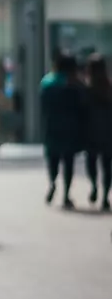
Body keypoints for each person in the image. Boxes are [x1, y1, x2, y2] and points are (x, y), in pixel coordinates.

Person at [40, 53, 87, 209]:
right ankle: (66, 193)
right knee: (68, 162)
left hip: (52, 126)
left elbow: (43, 107)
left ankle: (53, 182)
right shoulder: (77, 84)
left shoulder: (47, 83)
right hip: (71, 128)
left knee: (52, 159)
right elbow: (83, 108)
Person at [84, 54, 112, 211]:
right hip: (108, 132)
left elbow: (81, 112)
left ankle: (94, 185)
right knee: (107, 165)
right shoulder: (109, 89)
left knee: (92, 162)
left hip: (91, 132)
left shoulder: (86, 90)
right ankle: (105, 196)